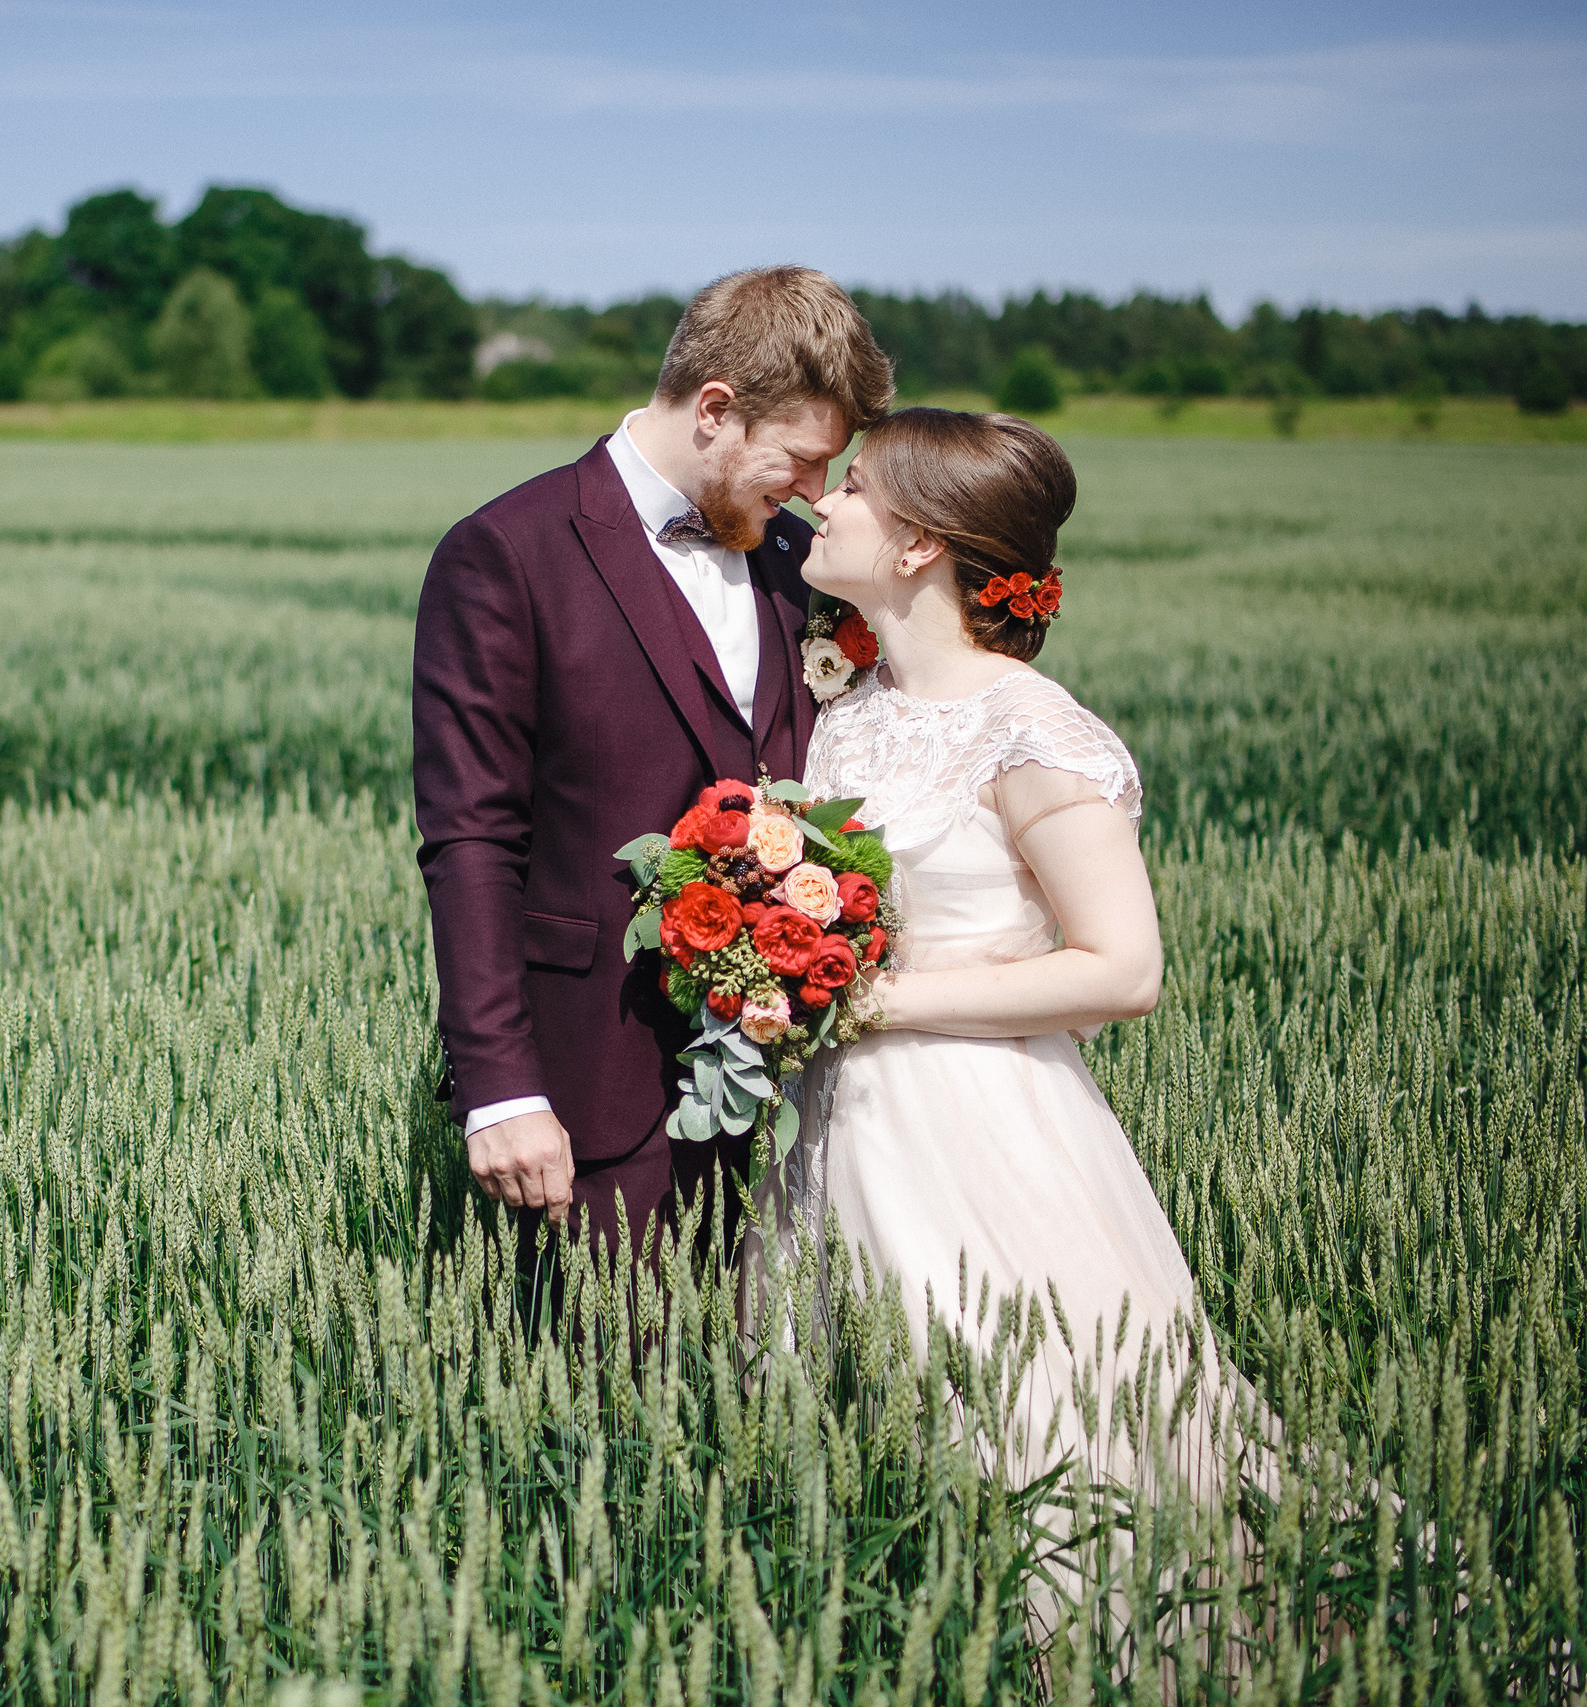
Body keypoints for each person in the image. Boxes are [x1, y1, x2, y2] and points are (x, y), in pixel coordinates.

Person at [786, 407, 1253, 1494]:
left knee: (1024, 1448)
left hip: (973, 1128)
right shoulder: (845, 711)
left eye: (853, 487)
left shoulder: (1034, 731)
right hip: (815, 1119)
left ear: (917, 545)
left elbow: (1120, 969)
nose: (824, 498)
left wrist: (865, 1002)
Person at [411, 267, 893, 1310]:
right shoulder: (504, 554)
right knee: (607, 1422)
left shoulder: (802, 563)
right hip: (593, 1088)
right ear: (714, 409)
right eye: (802, 457)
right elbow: (471, 842)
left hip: (803, 1089)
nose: (816, 490)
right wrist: (500, 1089)